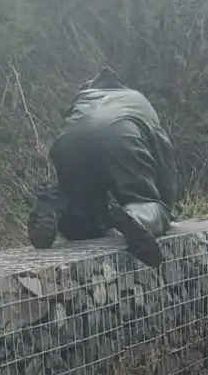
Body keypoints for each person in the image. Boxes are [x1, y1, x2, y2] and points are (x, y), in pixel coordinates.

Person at [28, 67, 179, 267]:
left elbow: (81, 148)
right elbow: (164, 161)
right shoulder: (137, 100)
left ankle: (56, 202)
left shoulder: (83, 99)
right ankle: (135, 216)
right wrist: (165, 207)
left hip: (68, 141)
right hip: (120, 136)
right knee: (147, 204)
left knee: (84, 216)